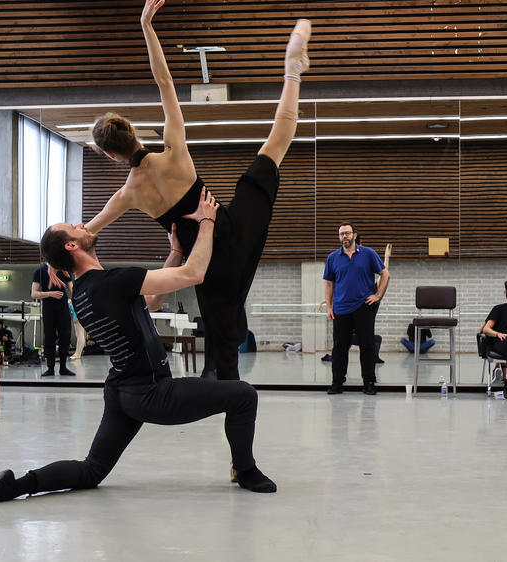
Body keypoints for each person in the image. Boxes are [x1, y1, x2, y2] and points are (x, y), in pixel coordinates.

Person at [0, 188, 277, 507]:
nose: (85, 225)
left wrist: (176, 251)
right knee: (243, 396)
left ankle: (12, 486)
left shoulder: (85, 292)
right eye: (76, 227)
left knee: (92, 470)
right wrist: (207, 222)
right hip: (151, 393)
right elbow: (194, 274)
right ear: (72, 245)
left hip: (121, 391)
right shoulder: (112, 282)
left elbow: (151, 301)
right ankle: (246, 470)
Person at [49, 1, 310, 383]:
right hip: (228, 226)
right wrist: (146, 25)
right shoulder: (174, 152)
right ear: (133, 132)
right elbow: (165, 82)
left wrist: (56, 265)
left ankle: (226, 396)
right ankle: (292, 74)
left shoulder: (127, 195)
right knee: (273, 148)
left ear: (108, 153)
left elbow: (84, 234)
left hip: (206, 264)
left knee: (223, 348)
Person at [323, 222, 390, 395]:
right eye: (341, 234)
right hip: (341, 308)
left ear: (354, 235)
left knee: (367, 346)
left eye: (347, 233)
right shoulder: (332, 258)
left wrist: (378, 295)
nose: (344, 236)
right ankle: (337, 383)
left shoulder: (368, 253)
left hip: (363, 306)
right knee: (339, 347)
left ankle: (369, 382)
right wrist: (329, 306)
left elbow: (385, 274)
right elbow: (329, 284)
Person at [32, 264, 76, 377]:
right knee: (49, 338)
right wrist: (50, 294)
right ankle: (50, 368)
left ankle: (63, 367)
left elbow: (72, 290)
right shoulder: (40, 271)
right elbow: (34, 293)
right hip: (48, 309)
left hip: (63, 309)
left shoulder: (64, 271)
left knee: (65, 337)